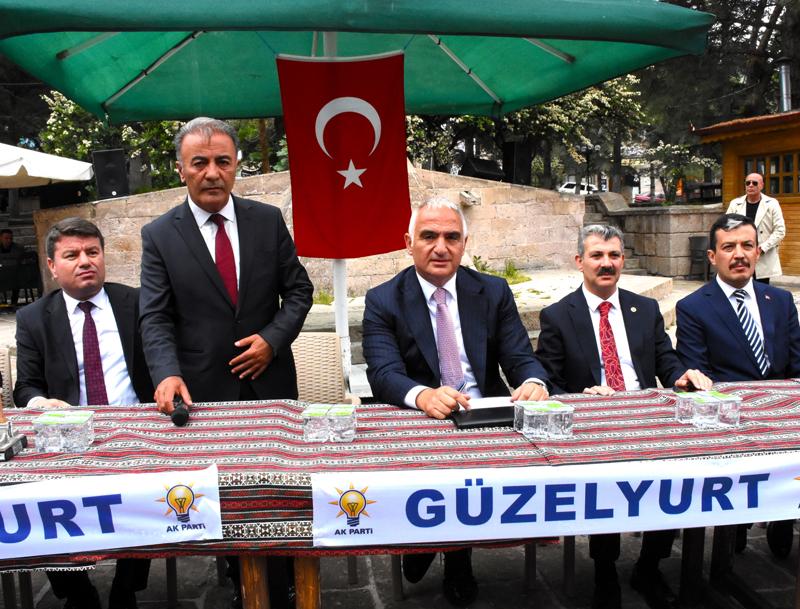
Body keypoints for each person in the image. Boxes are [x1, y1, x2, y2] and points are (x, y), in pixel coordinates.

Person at [139, 117, 313, 609]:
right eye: (199, 163)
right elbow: (155, 316)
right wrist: (167, 372)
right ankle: (242, 580)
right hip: (204, 390)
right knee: (225, 492)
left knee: (278, 486)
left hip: (269, 383)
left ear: (237, 165)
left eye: (222, 161)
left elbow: (299, 291)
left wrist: (272, 340)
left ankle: (283, 578)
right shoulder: (160, 235)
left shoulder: (266, 220)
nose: (212, 172)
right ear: (180, 170)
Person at [362, 197, 550, 606]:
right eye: (429, 236)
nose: (440, 247)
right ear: (408, 242)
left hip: (484, 414)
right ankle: (449, 553)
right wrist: (423, 394)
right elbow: (383, 372)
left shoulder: (493, 291)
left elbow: (519, 356)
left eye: (451, 237)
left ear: (465, 243)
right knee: (444, 470)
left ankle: (438, 546)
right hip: (420, 419)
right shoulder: (383, 299)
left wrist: (533, 381)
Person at [535, 224, 711, 609]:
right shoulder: (558, 315)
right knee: (606, 479)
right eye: (597, 255)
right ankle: (605, 570)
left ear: (623, 260)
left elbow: (665, 359)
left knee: (675, 474)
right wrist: (581, 395)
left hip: (646, 415)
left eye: (614, 255)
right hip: (592, 424)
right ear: (579, 261)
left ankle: (649, 566)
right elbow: (550, 379)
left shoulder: (643, 309)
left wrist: (681, 375)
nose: (606, 263)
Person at [14, 218, 152, 609]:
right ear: (52, 265)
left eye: (92, 252)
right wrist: (41, 404)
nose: (85, 261)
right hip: (69, 439)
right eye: (72, 255)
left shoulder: (136, 303)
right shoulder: (34, 318)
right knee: (34, 495)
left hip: (135, 431)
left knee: (150, 490)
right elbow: (26, 387)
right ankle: (77, 591)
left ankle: (126, 588)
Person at [676, 213, 800, 559]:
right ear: (712, 256)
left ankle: (783, 515)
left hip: (783, 417)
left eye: (747, 245)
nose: (739, 254)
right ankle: (735, 527)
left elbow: (796, 361)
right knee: (730, 549)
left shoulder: (781, 300)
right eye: (728, 247)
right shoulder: (693, 307)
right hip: (732, 422)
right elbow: (697, 374)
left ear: (758, 251)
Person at [726, 173, 785, 284]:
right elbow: (726, 227)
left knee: (761, 288)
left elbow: (780, 231)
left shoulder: (772, 204)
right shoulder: (735, 204)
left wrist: (762, 248)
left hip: (762, 254)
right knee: (740, 286)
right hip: (740, 253)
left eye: (754, 183)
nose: (750, 185)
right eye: (748, 183)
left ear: (762, 185)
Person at [0, 228, 25, 306]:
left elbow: (19, 258)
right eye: (6, 238)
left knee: (18, 279)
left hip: (14, 273)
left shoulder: (18, 248)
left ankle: (14, 302)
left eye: (10, 238)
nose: (9, 240)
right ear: (0, 238)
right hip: (2, 273)